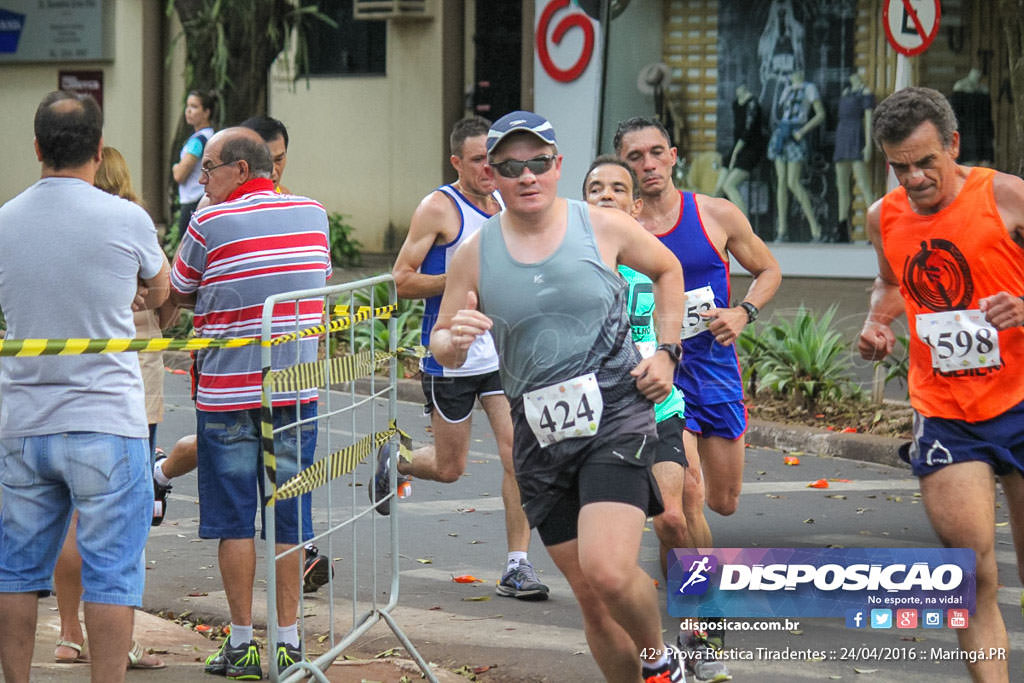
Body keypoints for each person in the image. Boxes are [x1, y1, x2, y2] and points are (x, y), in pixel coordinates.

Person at [430, 110, 686, 682]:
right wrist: (455, 338)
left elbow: (669, 272)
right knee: (592, 598)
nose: (527, 176)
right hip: (540, 435)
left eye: (539, 163)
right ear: (490, 174)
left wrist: (667, 352)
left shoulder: (601, 225)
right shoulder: (472, 253)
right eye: (511, 166)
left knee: (610, 570)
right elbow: (441, 342)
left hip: (616, 415)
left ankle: (662, 662)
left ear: (557, 166)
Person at [0, 90, 170, 683]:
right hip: (106, 420)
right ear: (99, 152)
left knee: (16, 573)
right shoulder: (127, 218)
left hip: (23, 420)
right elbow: (163, 289)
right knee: (113, 574)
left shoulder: (5, 220)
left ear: (38, 150)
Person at [857, 86, 1024, 683]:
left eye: (927, 161)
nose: (915, 178)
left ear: (953, 144)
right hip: (946, 407)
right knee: (970, 571)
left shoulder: (1005, 196)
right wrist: (879, 322)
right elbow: (890, 281)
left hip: (1021, 398)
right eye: (900, 166)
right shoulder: (884, 216)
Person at [616, 115, 781, 682]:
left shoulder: (714, 213)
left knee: (722, 502)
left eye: (655, 153)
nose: (647, 165)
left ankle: (692, 567)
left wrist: (744, 311)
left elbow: (767, 269)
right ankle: (700, 615)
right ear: (624, 164)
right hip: (663, 378)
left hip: (716, 373)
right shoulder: (617, 226)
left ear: (674, 156)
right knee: (683, 499)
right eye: (634, 157)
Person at [169, 127, 332, 679]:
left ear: (240, 169)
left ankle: (241, 643)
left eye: (208, 168)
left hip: (227, 397)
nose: (203, 180)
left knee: (235, 520)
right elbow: (318, 283)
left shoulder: (208, 222)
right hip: (295, 391)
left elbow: (180, 290)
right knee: (289, 517)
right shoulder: (314, 212)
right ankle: (288, 643)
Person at [387, 116, 548, 600]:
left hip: (502, 355)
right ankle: (396, 461)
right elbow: (400, 278)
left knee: (517, 456)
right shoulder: (438, 208)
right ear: (457, 161)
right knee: (450, 468)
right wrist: (462, 284)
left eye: (492, 159)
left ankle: (517, 566)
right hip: (450, 357)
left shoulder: (506, 202)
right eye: (478, 160)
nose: (488, 169)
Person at [51, 146, 170, 671]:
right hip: (128, 392)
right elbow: (168, 300)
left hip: (50, 396)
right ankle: (118, 644)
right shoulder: (132, 226)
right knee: (121, 527)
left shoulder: (59, 225)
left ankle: (69, 631)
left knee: (70, 521)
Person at [582, 155, 691, 582]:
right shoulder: (567, 269)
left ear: (635, 207)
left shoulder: (658, 266)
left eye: (618, 189)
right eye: (595, 189)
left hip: (657, 409)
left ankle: (703, 611)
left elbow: (677, 323)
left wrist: (668, 355)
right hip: (596, 420)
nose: (606, 195)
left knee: (672, 520)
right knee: (607, 544)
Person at [766, 70, 824, 241]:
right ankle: (782, 229)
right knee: (782, 182)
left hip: (796, 133)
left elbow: (820, 114)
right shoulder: (787, 89)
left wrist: (803, 131)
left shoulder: (809, 88)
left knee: (793, 182)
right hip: (782, 133)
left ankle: (815, 226)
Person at [832, 72, 875, 243]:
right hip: (842, 135)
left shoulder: (865, 92)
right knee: (841, 186)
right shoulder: (846, 93)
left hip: (856, 135)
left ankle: (875, 227)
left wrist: (868, 144)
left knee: (864, 185)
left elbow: (868, 118)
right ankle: (842, 228)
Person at [171, 90, 216, 240]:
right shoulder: (213, 136)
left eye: (194, 106)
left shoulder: (198, 141)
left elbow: (180, 175)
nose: (188, 111)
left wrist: (175, 167)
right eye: (187, 106)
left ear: (206, 112)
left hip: (193, 200)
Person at [715, 85, 765, 218]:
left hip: (751, 150)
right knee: (719, 188)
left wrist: (736, 153)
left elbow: (748, 132)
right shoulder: (736, 104)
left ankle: (745, 225)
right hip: (736, 148)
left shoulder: (753, 104)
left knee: (729, 185)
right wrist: (734, 153)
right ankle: (708, 224)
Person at [949, 68, 995, 167]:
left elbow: (987, 115)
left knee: (983, 163)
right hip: (966, 130)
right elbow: (955, 113)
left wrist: (990, 133)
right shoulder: (960, 88)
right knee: (968, 162)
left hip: (981, 132)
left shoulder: (983, 90)